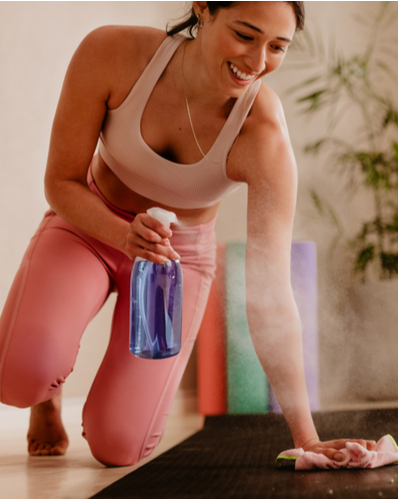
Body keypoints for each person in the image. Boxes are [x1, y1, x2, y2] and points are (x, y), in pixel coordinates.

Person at [0, 1, 374, 467]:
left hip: (175, 262)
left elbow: (271, 296)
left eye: (277, 47)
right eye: (245, 34)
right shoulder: (112, 54)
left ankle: (84, 393)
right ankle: (46, 394)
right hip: (87, 225)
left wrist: (308, 436)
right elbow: (61, 182)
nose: (257, 63)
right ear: (204, 9)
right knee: (17, 378)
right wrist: (121, 234)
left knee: (118, 446)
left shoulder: (262, 136)